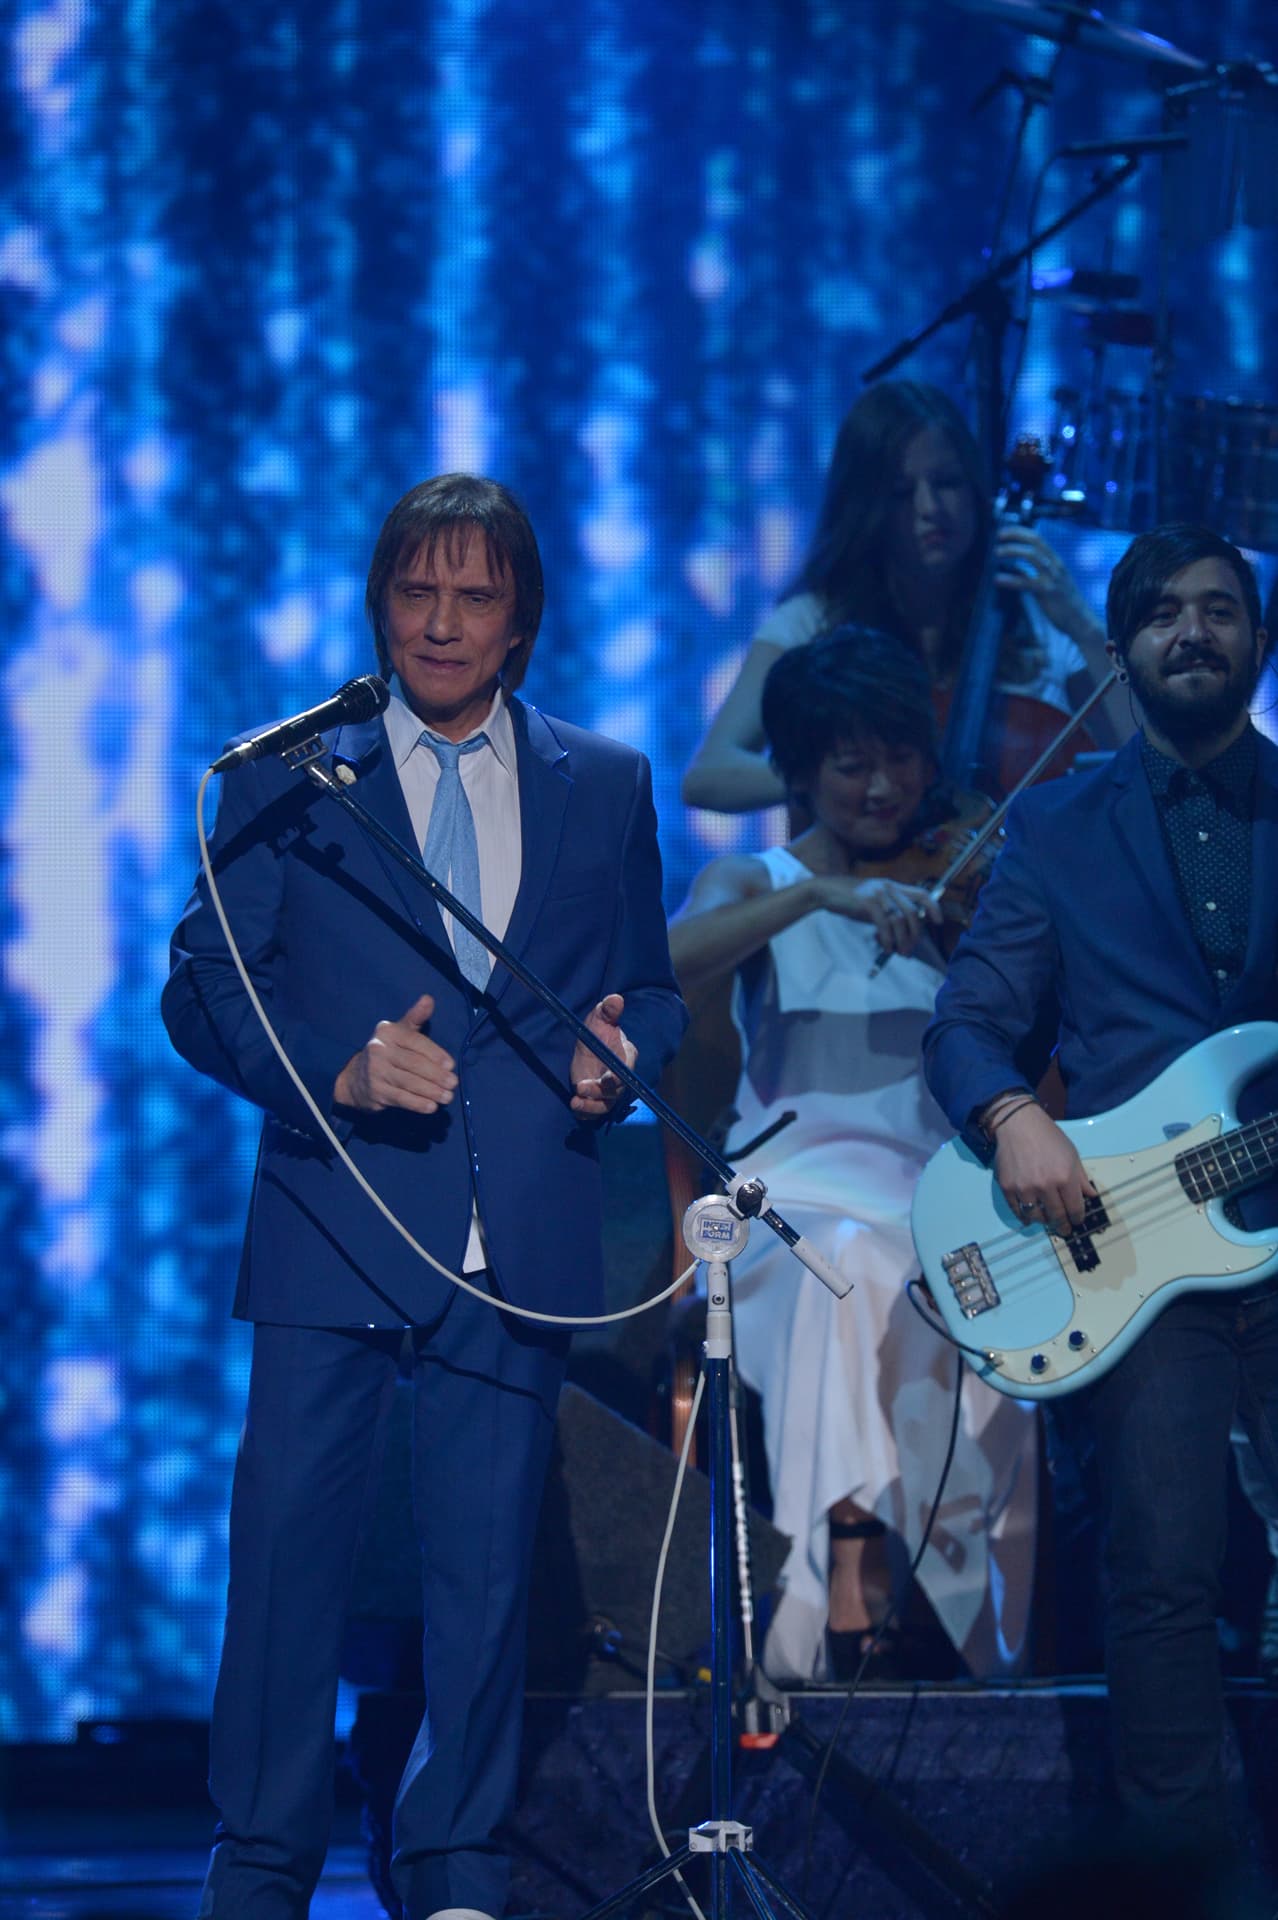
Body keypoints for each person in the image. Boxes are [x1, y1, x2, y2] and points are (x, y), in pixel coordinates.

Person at [162, 474, 687, 1920]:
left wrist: (624, 1053)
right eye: (416, 592)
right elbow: (202, 986)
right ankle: (262, 1862)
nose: (441, 624)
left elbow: (649, 986)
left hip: (515, 1229)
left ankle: (453, 1855)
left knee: (482, 1571)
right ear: (379, 603)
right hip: (336, 1217)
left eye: (474, 597)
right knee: (283, 1566)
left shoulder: (607, 781)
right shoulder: (292, 774)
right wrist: (337, 1069)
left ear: (521, 622)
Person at [923, 523, 1278, 1855]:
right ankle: (1181, 1878)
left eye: (1220, 609)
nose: (1194, 630)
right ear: (1120, 647)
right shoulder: (1059, 825)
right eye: (1164, 613)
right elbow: (964, 1026)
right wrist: (1013, 1116)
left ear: (1256, 641)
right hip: (1135, 1255)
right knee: (1164, 1577)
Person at [668, 628, 1037, 1683]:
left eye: (902, 760)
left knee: (914, 1272)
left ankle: (928, 1602)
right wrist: (816, 896)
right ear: (798, 771)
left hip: (937, 1199)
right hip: (785, 1196)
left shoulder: (959, 886)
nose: (884, 788)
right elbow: (663, 966)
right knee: (842, 1264)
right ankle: (855, 1570)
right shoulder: (755, 879)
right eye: (849, 763)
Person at [681, 379, 1124, 814]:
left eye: (948, 482)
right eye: (901, 492)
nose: (931, 508)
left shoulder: (1036, 624)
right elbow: (708, 776)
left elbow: (1140, 750)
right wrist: (844, 775)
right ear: (864, 506)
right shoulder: (812, 624)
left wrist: (1085, 629)